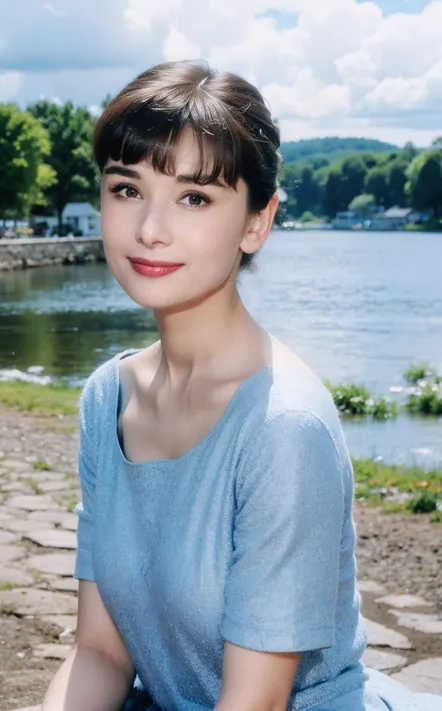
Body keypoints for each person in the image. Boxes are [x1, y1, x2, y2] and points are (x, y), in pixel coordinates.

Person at [41, 60, 442, 711]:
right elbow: (100, 652)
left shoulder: (284, 427)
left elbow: (253, 703)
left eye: (194, 197)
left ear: (257, 221)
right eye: (127, 189)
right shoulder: (106, 397)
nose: (150, 228)